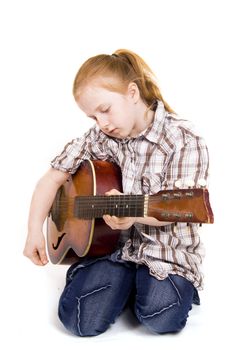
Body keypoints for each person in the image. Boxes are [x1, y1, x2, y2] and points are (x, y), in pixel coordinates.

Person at [23, 49, 210, 337]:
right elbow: (52, 178)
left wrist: (133, 212)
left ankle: (138, 287)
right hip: (112, 251)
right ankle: (120, 281)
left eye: (105, 109)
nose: (102, 123)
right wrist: (34, 229)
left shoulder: (182, 141)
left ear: (132, 92)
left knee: (161, 316)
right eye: (93, 117)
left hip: (165, 255)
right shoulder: (100, 138)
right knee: (78, 320)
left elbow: (183, 206)